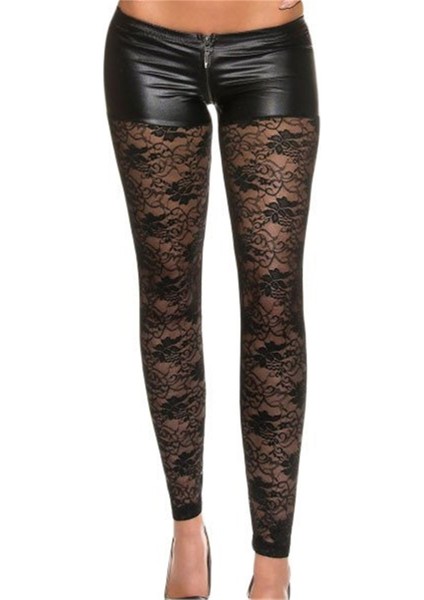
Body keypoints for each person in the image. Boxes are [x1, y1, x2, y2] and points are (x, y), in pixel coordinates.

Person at [103, 1, 320, 598]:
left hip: (269, 47)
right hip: (149, 47)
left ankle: (272, 570)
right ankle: (187, 535)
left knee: (275, 305)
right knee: (167, 296)